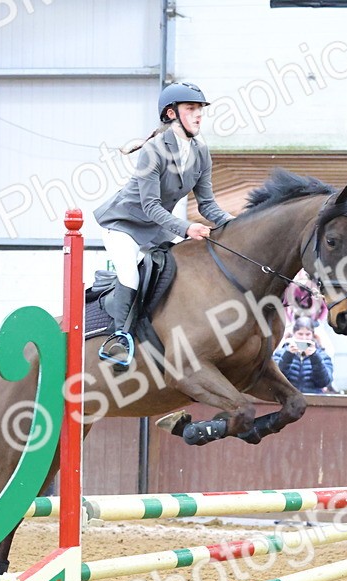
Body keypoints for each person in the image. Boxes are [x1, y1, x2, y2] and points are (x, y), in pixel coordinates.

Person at [93, 81, 235, 367]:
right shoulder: (154, 151)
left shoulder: (200, 151)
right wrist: (186, 228)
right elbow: (150, 206)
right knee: (131, 276)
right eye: (191, 108)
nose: (198, 115)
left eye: (200, 110)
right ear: (171, 114)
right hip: (124, 225)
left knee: (184, 267)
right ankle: (120, 339)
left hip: (156, 228)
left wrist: (237, 225)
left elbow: (206, 205)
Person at [275, 319, 333, 394]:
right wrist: (288, 355)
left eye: (308, 334)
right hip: (287, 398)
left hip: (314, 400)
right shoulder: (280, 353)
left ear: (313, 335)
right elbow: (276, 379)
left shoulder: (323, 355)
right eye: (300, 334)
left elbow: (324, 382)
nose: (304, 338)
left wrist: (314, 357)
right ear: (293, 334)